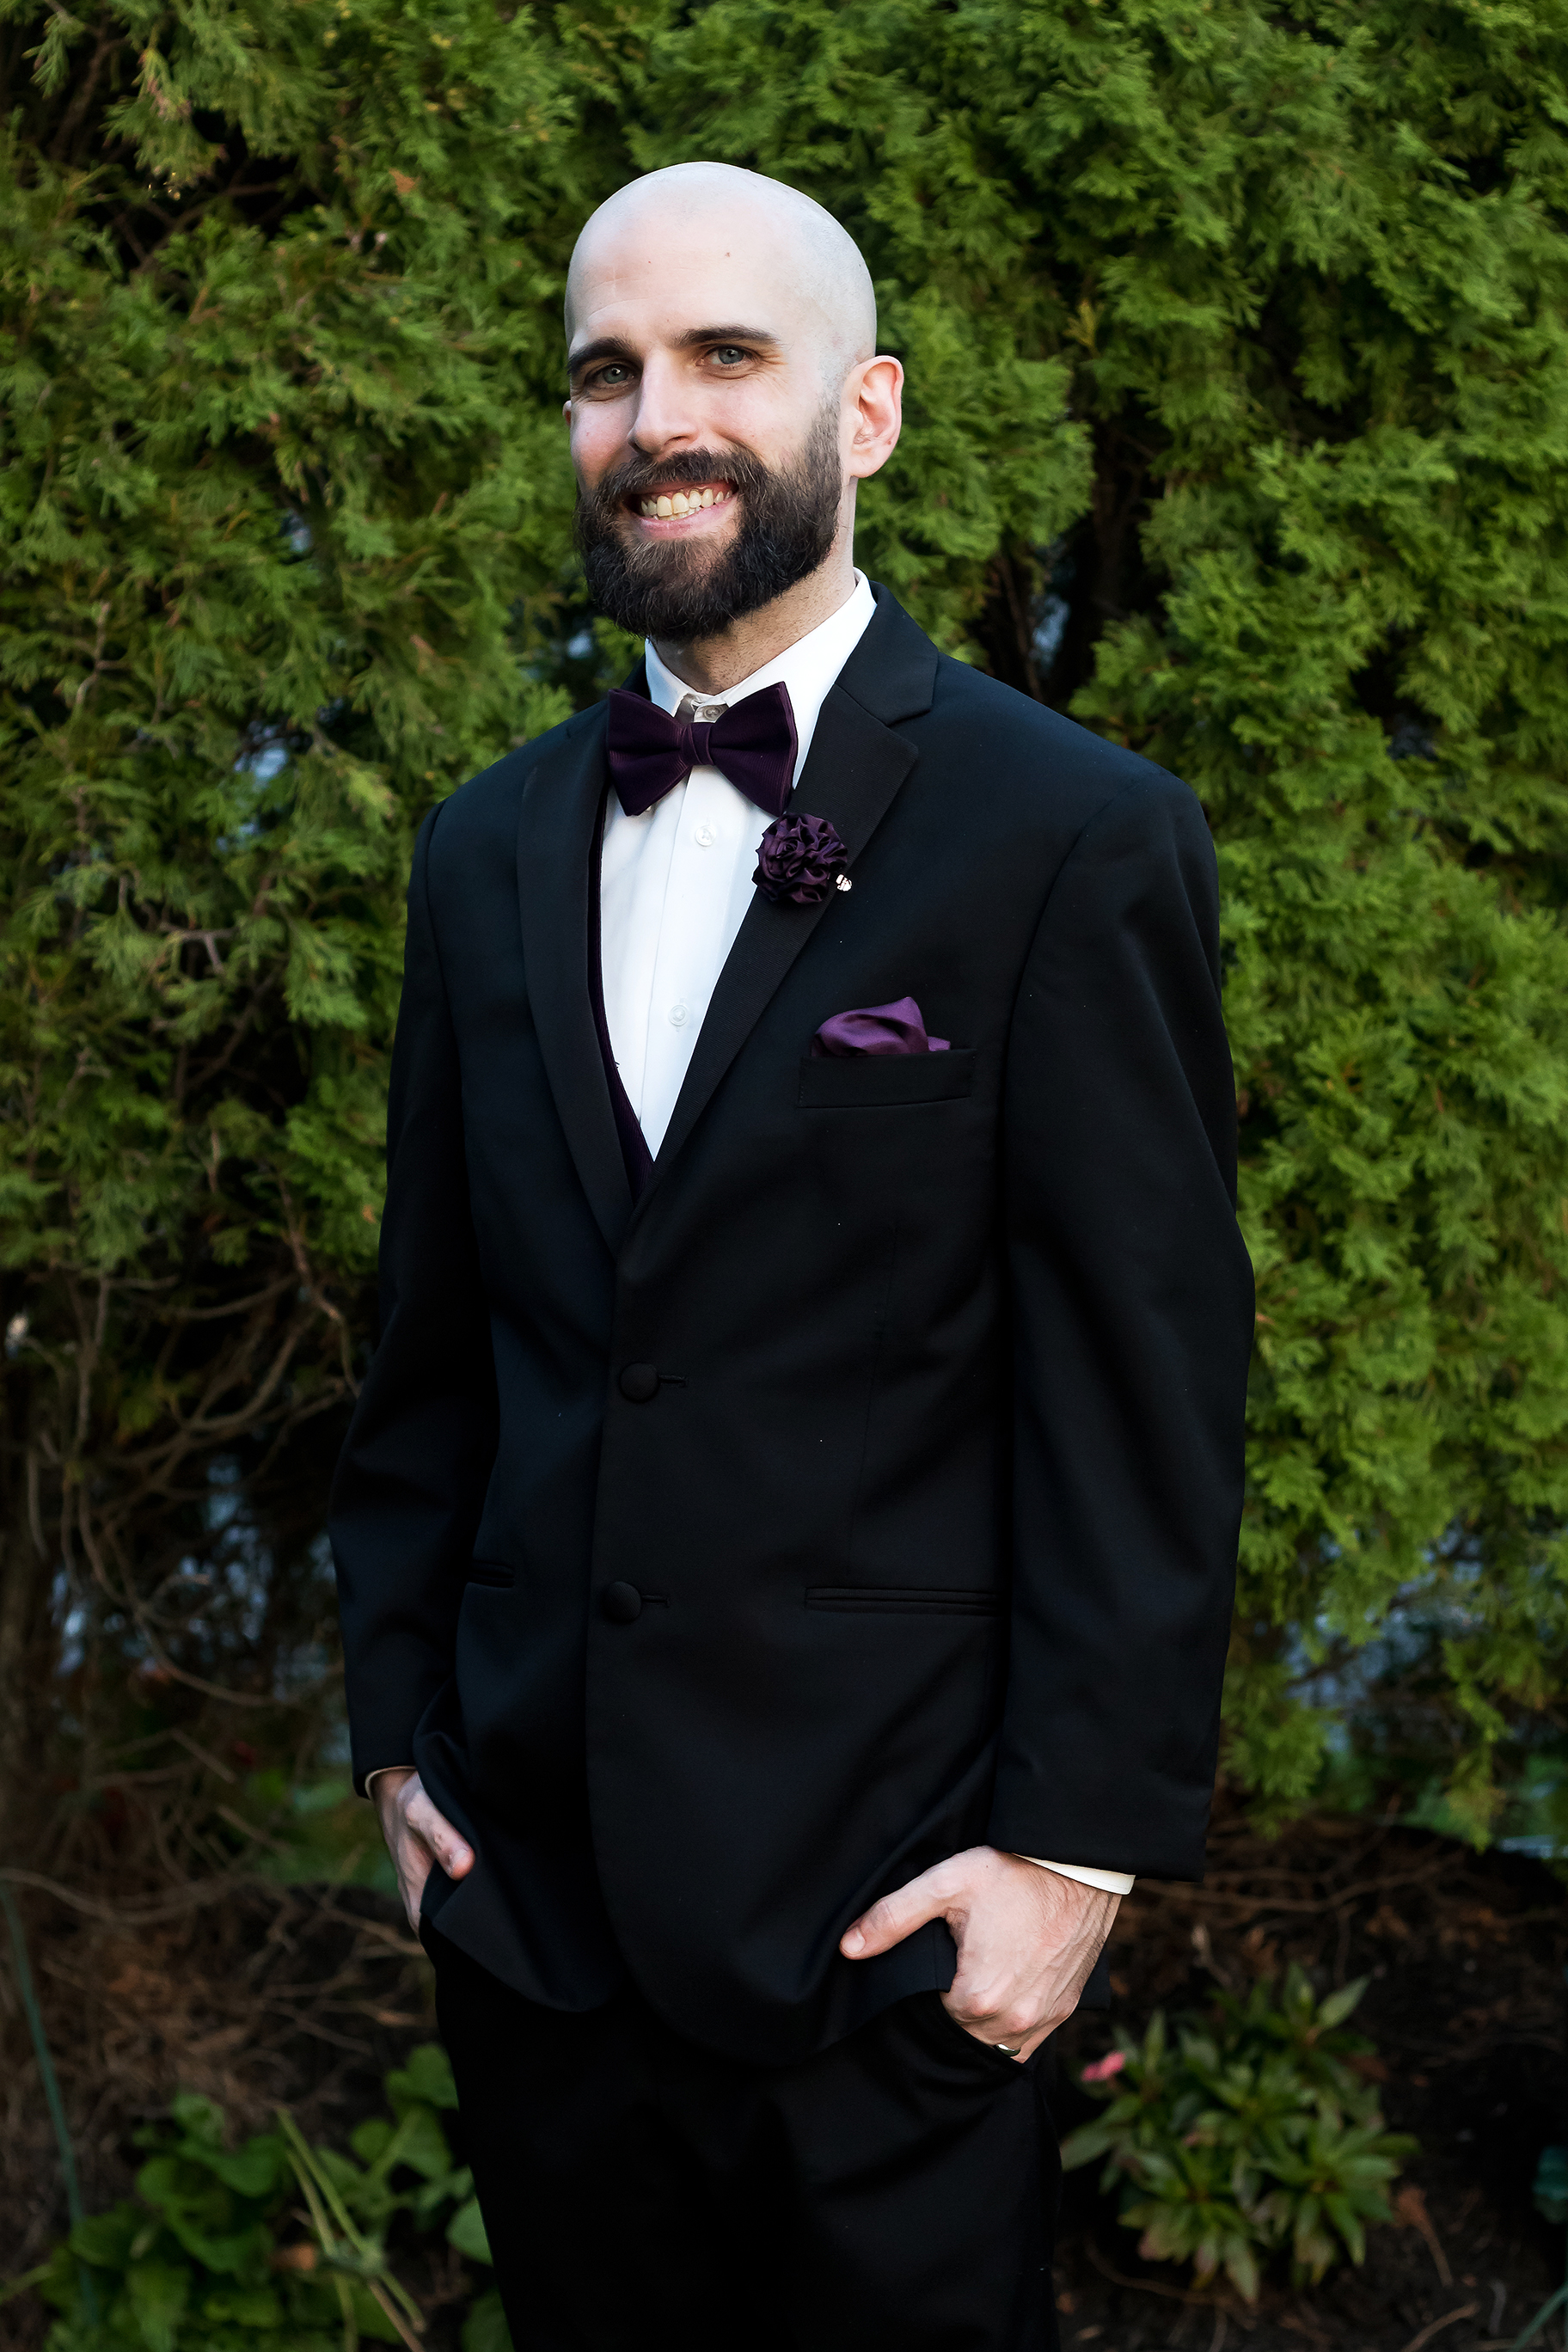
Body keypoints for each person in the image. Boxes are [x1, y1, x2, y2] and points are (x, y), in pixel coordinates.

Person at [329, 160, 1253, 2352]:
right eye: (607, 371)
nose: (659, 418)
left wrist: (1071, 1863)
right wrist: (396, 1737)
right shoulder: (482, 849)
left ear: (869, 410)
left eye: (726, 355)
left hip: (890, 1943)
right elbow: (433, 1345)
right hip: (535, 1929)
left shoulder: (1071, 836)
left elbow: (1143, 1382)